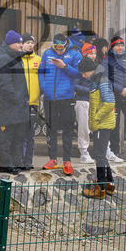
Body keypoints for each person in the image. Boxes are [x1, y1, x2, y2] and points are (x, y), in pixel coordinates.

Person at [39, 33, 81, 176]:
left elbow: (79, 73)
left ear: (66, 44)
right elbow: (41, 72)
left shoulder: (74, 54)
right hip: (49, 98)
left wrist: (65, 67)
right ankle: (52, 159)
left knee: (67, 129)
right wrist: (44, 88)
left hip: (66, 97)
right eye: (56, 48)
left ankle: (67, 160)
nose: (58, 51)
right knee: (51, 128)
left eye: (61, 48)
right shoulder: (47, 54)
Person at [80, 53, 117, 200]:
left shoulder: (101, 80)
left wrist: (96, 117)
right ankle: (109, 183)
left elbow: (109, 103)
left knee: (99, 154)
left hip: (103, 124)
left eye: (84, 72)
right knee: (100, 152)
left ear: (90, 70)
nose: (83, 76)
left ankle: (101, 187)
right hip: (100, 124)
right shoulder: (97, 79)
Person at [0, 31, 30, 174]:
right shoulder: (3, 58)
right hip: (10, 106)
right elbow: (5, 83)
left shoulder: (15, 57)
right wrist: (16, 98)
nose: (21, 45)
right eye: (19, 42)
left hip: (20, 105)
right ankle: (6, 165)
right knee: (7, 137)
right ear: (10, 44)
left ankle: (16, 162)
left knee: (19, 136)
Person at [74, 43, 99, 163]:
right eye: (90, 54)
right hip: (82, 100)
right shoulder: (80, 67)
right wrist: (90, 91)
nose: (93, 56)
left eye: (94, 53)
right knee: (83, 127)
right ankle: (83, 151)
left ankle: (106, 149)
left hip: (95, 101)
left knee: (101, 126)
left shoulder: (98, 69)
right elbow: (75, 85)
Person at [20, 33, 42, 171]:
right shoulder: (17, 60)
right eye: (27, 42)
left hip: (33, 102)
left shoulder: (39, 60)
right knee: (20, 133)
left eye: (31, 42)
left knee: (30, 134)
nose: (30, 45)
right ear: (21, 44)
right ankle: (20, 160)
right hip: (20, 103)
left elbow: (43, 79)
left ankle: (28, 160)